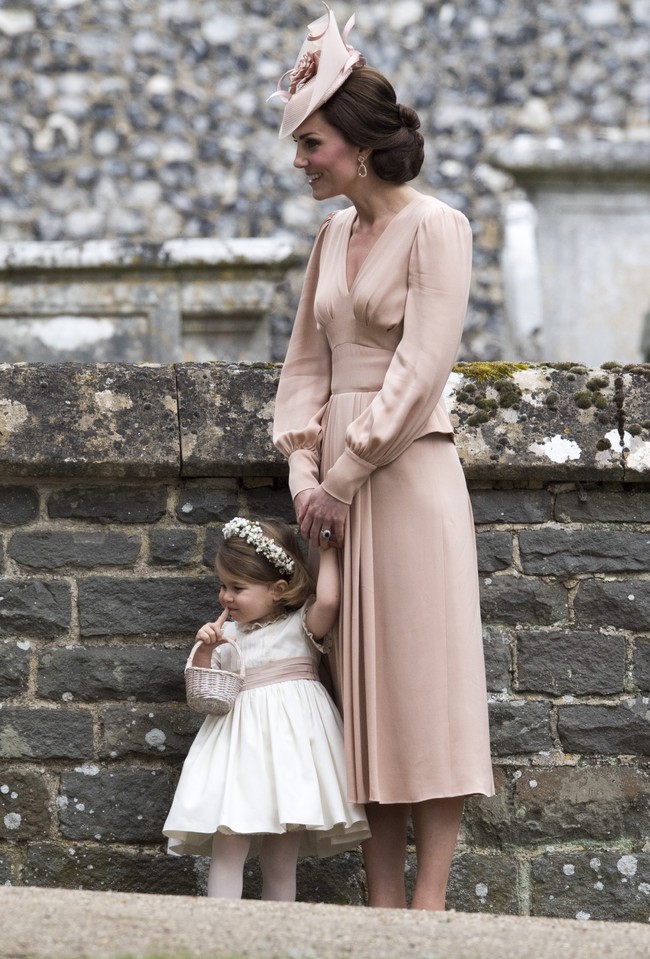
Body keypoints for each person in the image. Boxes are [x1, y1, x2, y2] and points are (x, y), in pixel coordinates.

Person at [271, 3, 495, 911]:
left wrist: (343, 474)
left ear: (358, 146)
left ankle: (430, 905)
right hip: (329, 488)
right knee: (359, 690)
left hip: (405, 478)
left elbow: (420, 369)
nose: (301, 162)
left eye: (312, 143)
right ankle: (380, 906)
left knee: (424, 685)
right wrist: (301, 470)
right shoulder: (330, 239)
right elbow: (303, 368)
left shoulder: (438, 228)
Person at [163, 516, 370, 901]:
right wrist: (207, 649)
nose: (225, 596)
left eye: (238, 588)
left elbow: (329, 599)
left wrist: (325, 548)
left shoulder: (302, 624)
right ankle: (220, 937)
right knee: (229, 843)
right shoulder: (229, 636)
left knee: (281, 858)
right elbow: (208, 693)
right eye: (223, 586)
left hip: (291, 754)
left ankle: (276, 937)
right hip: (239, 751)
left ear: (277, 589)